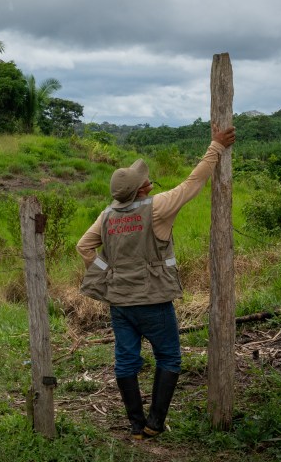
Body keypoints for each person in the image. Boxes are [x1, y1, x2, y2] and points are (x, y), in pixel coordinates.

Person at [76, 124, 236, 439]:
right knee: (169, 357)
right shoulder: (158, 207)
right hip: (153, 300)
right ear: (142, 189)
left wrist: (106, 272)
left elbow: (83, 247)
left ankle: (136, 426)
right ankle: (154, 424)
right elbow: (194, 182)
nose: (147, 177)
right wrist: (216, 146)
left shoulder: (107, 215)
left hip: (119, 303)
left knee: (125, 360)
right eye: (143, 178)